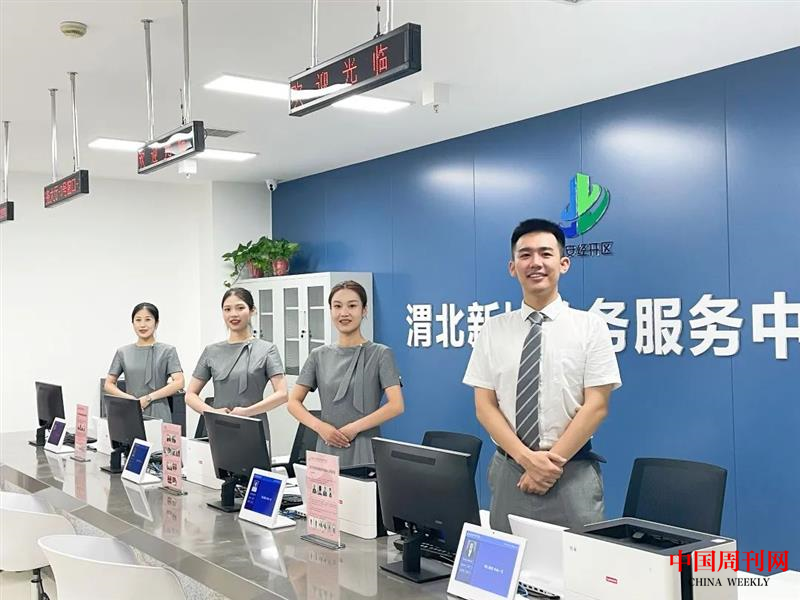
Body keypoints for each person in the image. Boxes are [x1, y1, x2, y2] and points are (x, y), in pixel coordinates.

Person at [463, 218, 621, 533]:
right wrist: (526, 459)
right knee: (508, 558)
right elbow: (485, 405)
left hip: (572, 472)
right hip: (510, 470)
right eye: (525, 255)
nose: (535, 262)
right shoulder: (493, 329)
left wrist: (549, 465)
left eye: (545, 253)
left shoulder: (590, 327)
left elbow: (597, 405)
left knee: (579, 561)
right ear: (512, 268)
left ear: (564, 263)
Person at [288, 280, 404, 466]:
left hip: (365, 447)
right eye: (337, 306)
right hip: (327, 445)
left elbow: (396, 405)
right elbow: (293, 402)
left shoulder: (381, 354)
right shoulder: (318, 355)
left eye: (352, 306)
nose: (344, 313)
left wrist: (353, 428)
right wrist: (320, 427)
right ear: (330, 310)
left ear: (364, 310)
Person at [185, 288, 288, 444]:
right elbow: (190, 395)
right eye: (227, 309)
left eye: (240, 308)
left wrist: (247, 412)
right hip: (218, 428)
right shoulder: (211, 351)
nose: (233, 314)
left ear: (252, 310)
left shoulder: (267, 349)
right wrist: (213, 413)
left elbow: (282, 394)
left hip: (253, 427)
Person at [104, 302, 184, 423]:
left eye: (148, 319)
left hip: (160, 412)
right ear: (133, 323)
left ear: (156, 323)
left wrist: (149, 398)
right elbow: (108, 384)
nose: (142, 325)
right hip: (131, 410)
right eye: (138, 320)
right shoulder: (123, 352)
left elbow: (179, 382)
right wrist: (131, 400)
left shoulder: (168, 351)